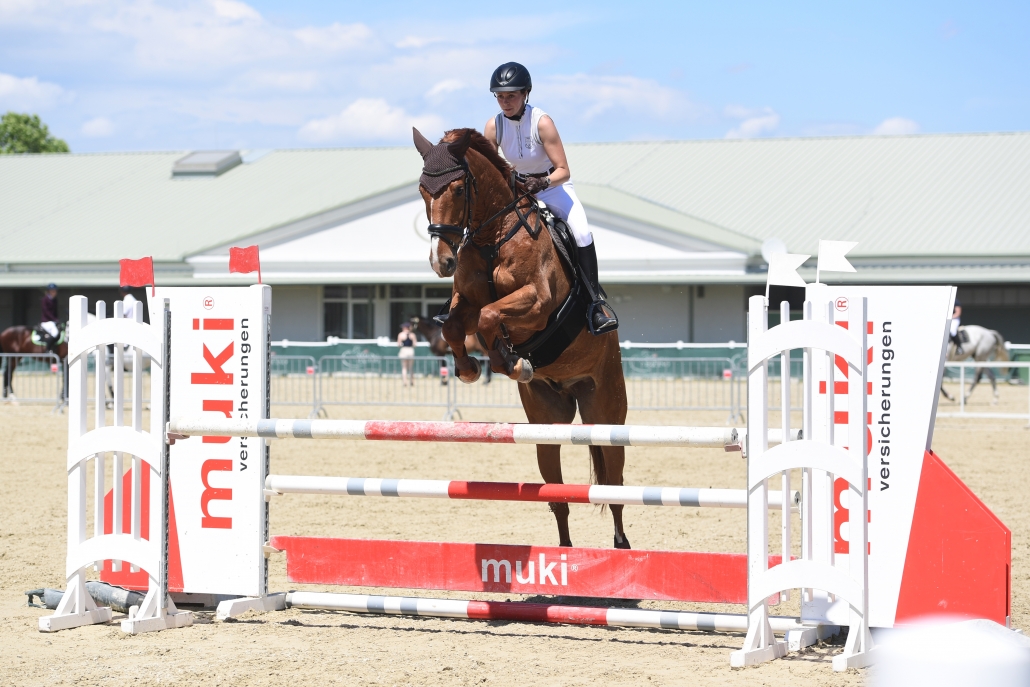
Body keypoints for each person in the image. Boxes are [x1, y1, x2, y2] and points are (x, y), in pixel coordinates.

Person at [484, 62, 618, 335]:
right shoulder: (493, 126)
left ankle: (595, 305)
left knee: (581, 233)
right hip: (517, 191)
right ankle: (460, 297)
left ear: (526, 94)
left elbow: (564, 171)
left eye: (511, 96)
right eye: (500, 96)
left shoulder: (542, 122)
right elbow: (490, 168)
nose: (505, 102)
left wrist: (542, 182)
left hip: (553, 187)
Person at [39, 283, 60, 347]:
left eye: (55, 291)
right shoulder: (45, 300)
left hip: (53, 321)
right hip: (46, 321)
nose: (54, 292)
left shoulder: (55, 300)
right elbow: (46, 312)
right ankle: (47, 348)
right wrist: (54, 319)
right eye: (52, 291)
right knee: (55, 333)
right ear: (49, 291)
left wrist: (57, 320)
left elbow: (55, 312)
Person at [397, 322, 417, 386]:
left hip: (404, 350)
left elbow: (398, 344)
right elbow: (414, 344)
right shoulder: (412, 335)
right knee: (411, 367)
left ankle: (405, 381)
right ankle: (412, 381)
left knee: (404, 367)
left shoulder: (401, 334)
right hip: (410, 350)